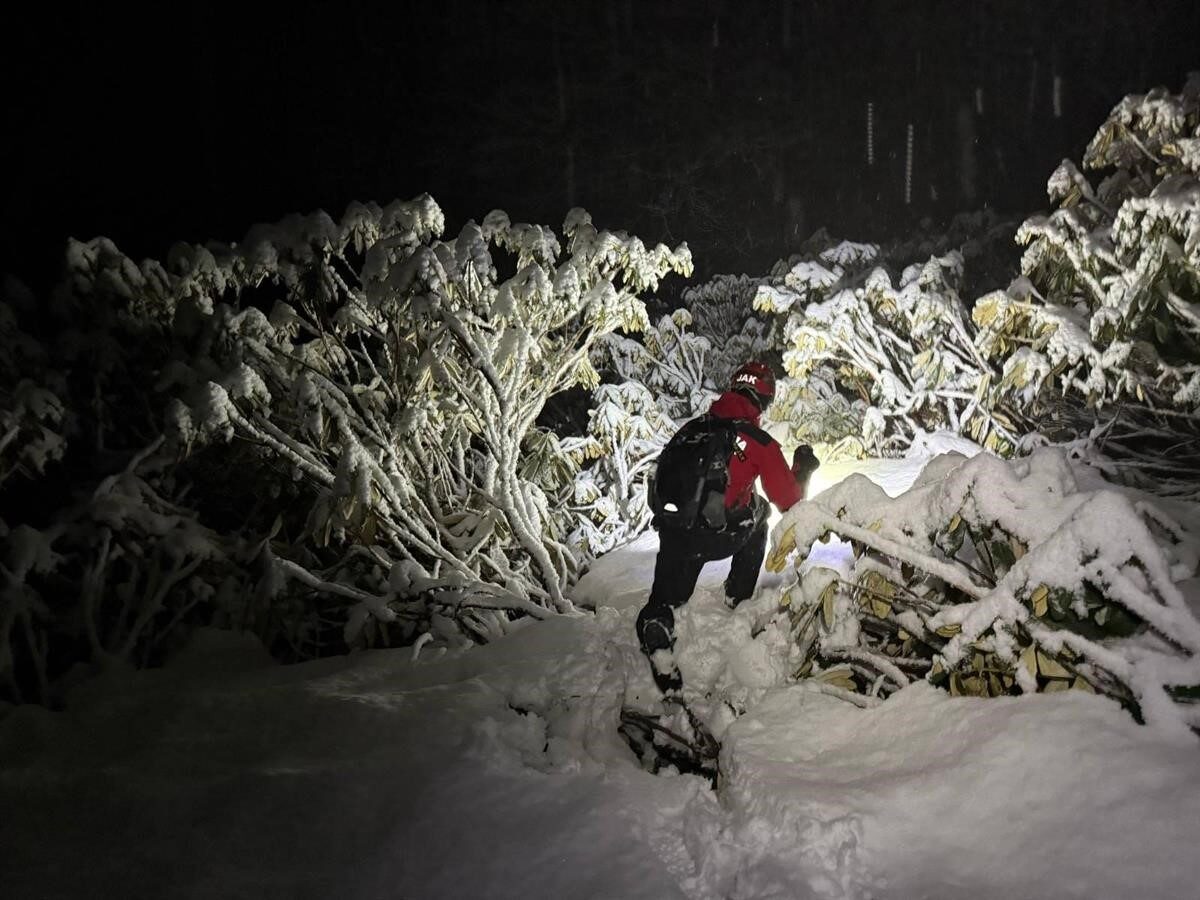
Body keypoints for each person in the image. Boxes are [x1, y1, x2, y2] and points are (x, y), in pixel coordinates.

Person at [636, 360, 819, 695]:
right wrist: (803, 470)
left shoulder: (694, 428)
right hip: (716, 537)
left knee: (671, 589)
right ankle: (738, 597)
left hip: (676, 531)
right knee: (759, 513)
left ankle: (659, 617)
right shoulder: (758, 441)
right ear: (764, 400)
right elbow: (789, 502)